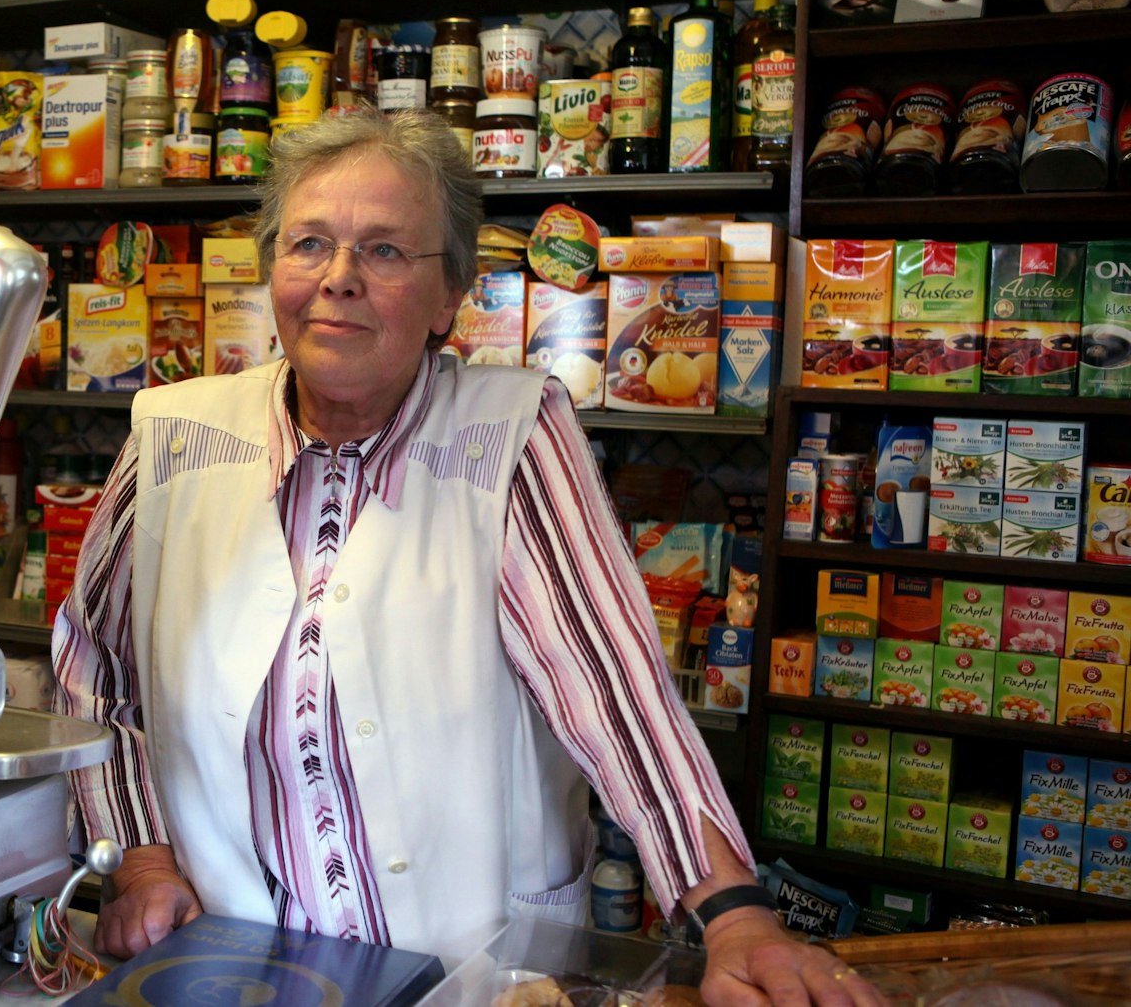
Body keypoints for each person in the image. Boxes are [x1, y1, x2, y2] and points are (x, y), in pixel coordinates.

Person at [53, 108, 882, 1007]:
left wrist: (733, 911)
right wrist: (138, 853)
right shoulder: (176, 432)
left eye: (384, 252)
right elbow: (98, 671)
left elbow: (608, 685)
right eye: (308, 245)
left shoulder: (511, 433)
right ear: (270, 274)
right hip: (236, 963)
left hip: (470, 969)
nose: (338, 280)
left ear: (450, 297)